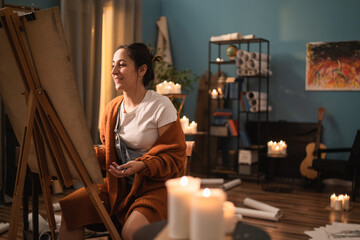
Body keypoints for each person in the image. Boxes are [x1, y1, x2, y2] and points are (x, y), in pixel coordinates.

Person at [58, 42, 187, 240]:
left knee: (131, 232)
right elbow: (109, 153)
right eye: (113, 65)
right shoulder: (112, 109)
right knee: (71, 211)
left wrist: (142, 165)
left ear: (142, 70)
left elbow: (175, 157)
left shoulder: (161, 106)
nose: (114, 71)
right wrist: (80, 152)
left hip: (155, 187)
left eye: (122, 64)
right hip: (118, 187)